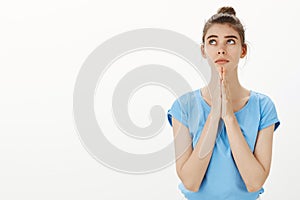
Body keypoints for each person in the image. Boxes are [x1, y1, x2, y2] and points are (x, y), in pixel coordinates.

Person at [167, 6, 280, 200]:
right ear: (203, 50)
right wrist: (214, 115)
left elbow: (254, 182)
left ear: (242, 50)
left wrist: (229, 116)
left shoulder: (263, 107)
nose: (221, 49)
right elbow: (191, 182)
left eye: (230, 41)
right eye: (212, 41)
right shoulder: (184, 107)